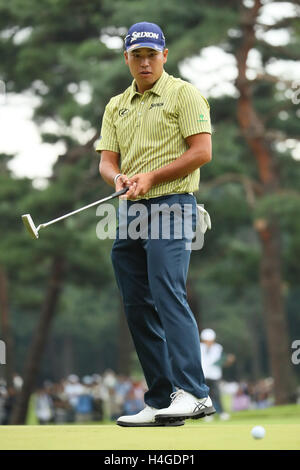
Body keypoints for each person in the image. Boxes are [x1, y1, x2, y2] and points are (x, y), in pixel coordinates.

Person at [97, 21, 214, 427]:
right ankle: (162, 399)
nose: (144, 62)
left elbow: (202, 151)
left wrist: (151, 177)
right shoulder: (117, 105)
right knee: (136, 304)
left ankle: (195, 394)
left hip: (172, 205)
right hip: (130, 212)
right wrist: (118, 178)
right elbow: (107, 160)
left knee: (167, 294)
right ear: (126, 58)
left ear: (165, 55)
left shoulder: (183, 94)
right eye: (137, 55)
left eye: (152, 54)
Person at [200, 328, 235, 420]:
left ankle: (222, 413)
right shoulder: (199, 347)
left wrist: (228, 360)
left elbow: (222, 361)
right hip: (203, 375)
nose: (209, 342)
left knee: (217, 395)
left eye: (210, 340)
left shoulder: (218, 347)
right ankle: (207, 414)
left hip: (215, 375)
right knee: (205, 396)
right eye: (207, 340)